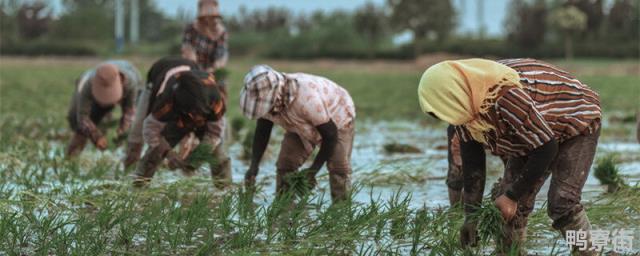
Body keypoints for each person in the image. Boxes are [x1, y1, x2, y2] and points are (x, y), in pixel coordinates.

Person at [418, 58, 601, 255]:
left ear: (453, 95)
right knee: (507, 204)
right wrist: (471, 217)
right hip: (534, 133)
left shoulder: (503, 96)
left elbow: (546, 148)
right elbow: (473, 165)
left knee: (562, 201)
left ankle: (589, 252)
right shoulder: (465, 110)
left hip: (575, 121)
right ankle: (510, 252)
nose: (449, 118)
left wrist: (512, 196)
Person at [241, 65, 356, 202]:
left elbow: (330, 135)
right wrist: (254, 166)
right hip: (298, 123)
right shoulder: (267, 100)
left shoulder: (307, 99)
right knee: (286, 163)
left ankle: (341, 211)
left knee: (338, 167)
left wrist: (313, 171)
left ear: (275, 95)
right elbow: (262, 131)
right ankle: (284, 207)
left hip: (337, 117)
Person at [124, 57, 229, 188]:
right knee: (154, 153)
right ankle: (138, 187)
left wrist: (196, 159)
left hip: (201, 111)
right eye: (189, 113)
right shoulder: (167, 101)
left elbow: (215, 133)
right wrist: (169, 153)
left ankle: (224, 190)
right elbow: (151, 130)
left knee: (217, 154)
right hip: (159, 79)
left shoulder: (215, 99)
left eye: (195, 113)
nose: (192, 117)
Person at [66, 60, 142, 157]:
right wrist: (96, 136)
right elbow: (83, 117)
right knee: (78, 125)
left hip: (130, 84)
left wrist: (123, 130)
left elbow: (129, 111)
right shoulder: (87, 84)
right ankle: (71, 158)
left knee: (134, 129)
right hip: (91, 93)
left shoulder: (131, 83)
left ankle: (131, 163)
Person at [181, 0, 228, 72]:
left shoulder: (221, 33)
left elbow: (220, 57)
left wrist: (212, 70)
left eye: (214, 17)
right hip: (193, 69)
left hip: (213, 71)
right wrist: (198, 71)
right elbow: (188, 51)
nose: (213, 20)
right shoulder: (190, 29)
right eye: (210, 17)